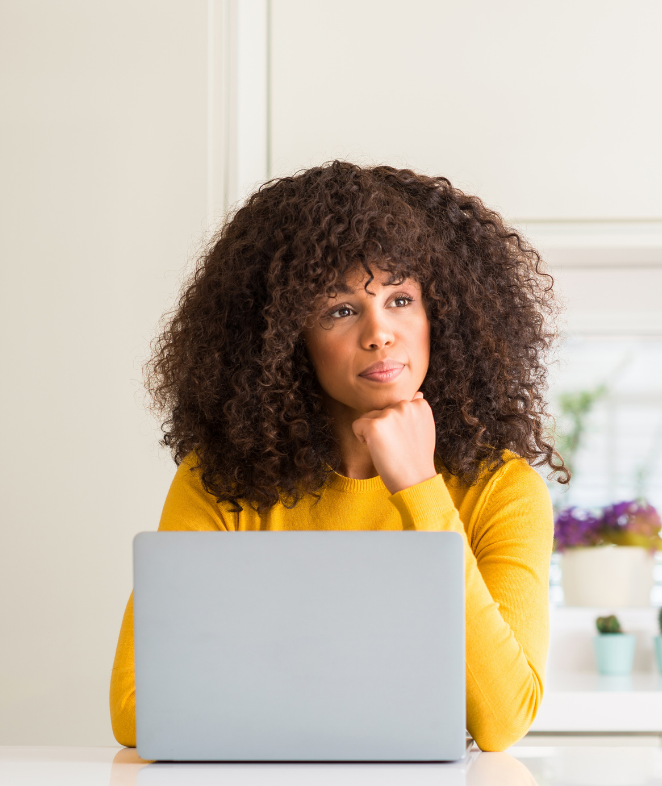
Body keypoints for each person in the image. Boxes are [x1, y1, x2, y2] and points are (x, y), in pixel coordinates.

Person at [109, 161, 569, 752]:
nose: (380, 334)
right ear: (285, 339)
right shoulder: (221, 481)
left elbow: (503, 718)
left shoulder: (501, 489)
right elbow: (137, 709)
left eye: (401, 299)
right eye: (341, 310)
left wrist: (420, 488)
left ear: (442, 317)